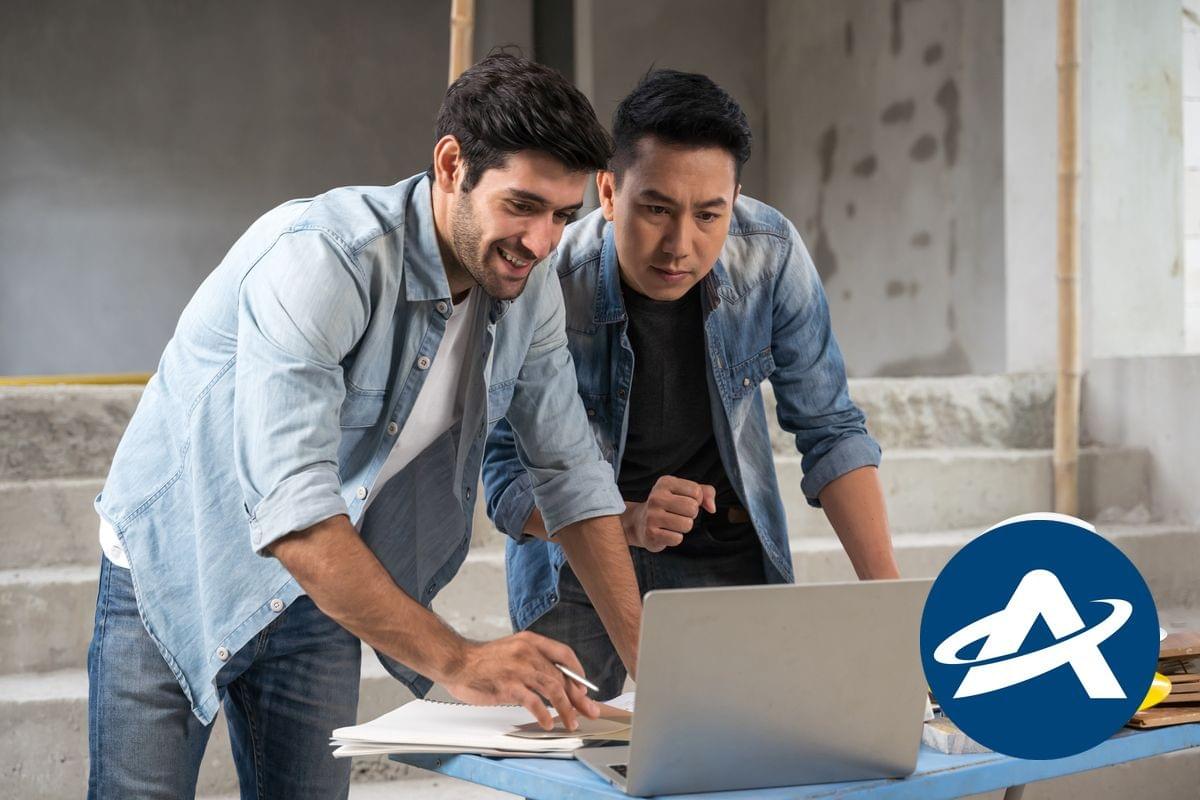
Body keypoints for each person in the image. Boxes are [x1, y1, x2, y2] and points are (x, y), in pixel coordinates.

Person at [88, 53, 642, 799]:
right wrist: (461, 660)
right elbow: (293, 514)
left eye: (562, 217)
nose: (542, 243)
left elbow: (572, 474)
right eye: (521, 206)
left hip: (323, 582)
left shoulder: (529, 285)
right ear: (452, 165)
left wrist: (656, 679)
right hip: (180, 559)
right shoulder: (324, 260)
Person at [483, 69, 900, 700]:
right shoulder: (547, 277)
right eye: (655, 209)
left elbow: (830, 428)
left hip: (722, 548)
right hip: (576, 559)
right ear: (607, 190)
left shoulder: (771, 254)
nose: (681, 245)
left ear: (736, 198)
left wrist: (890, 606)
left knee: (740, 759)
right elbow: (506, 478)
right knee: (572, 772)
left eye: (710, 214)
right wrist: (627, 520)